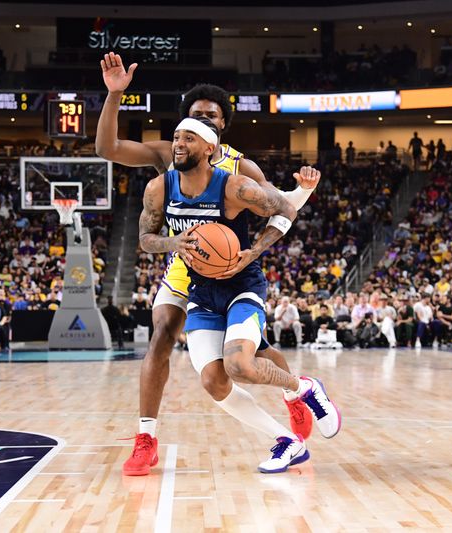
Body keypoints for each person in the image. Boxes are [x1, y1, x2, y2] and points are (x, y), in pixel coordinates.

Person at [96, 52, 318, 475]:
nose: (205, 120)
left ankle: (295, 396)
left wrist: (299, 196)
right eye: (196, 114)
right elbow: (108, 148)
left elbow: (281, 209)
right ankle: (146, 438)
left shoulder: (241, 168)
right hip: (183, 269)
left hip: (230, 272)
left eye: (212, 116)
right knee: (162, 335)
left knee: (257, 354)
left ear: (222, 125)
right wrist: (114, 97)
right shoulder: (171, 155)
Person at [138, 117, 341, 473]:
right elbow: (145, 239)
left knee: (239, 366)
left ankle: (304, 387)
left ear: (209, 148)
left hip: (242, 284)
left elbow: (286, 209)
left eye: (189, 138)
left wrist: (257, 249)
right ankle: (287, 441)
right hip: (201, 292)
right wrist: (174, 243)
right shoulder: (159, 187)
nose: (179, 144)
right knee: (213, 381)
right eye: (175, 138)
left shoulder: (235, 187)